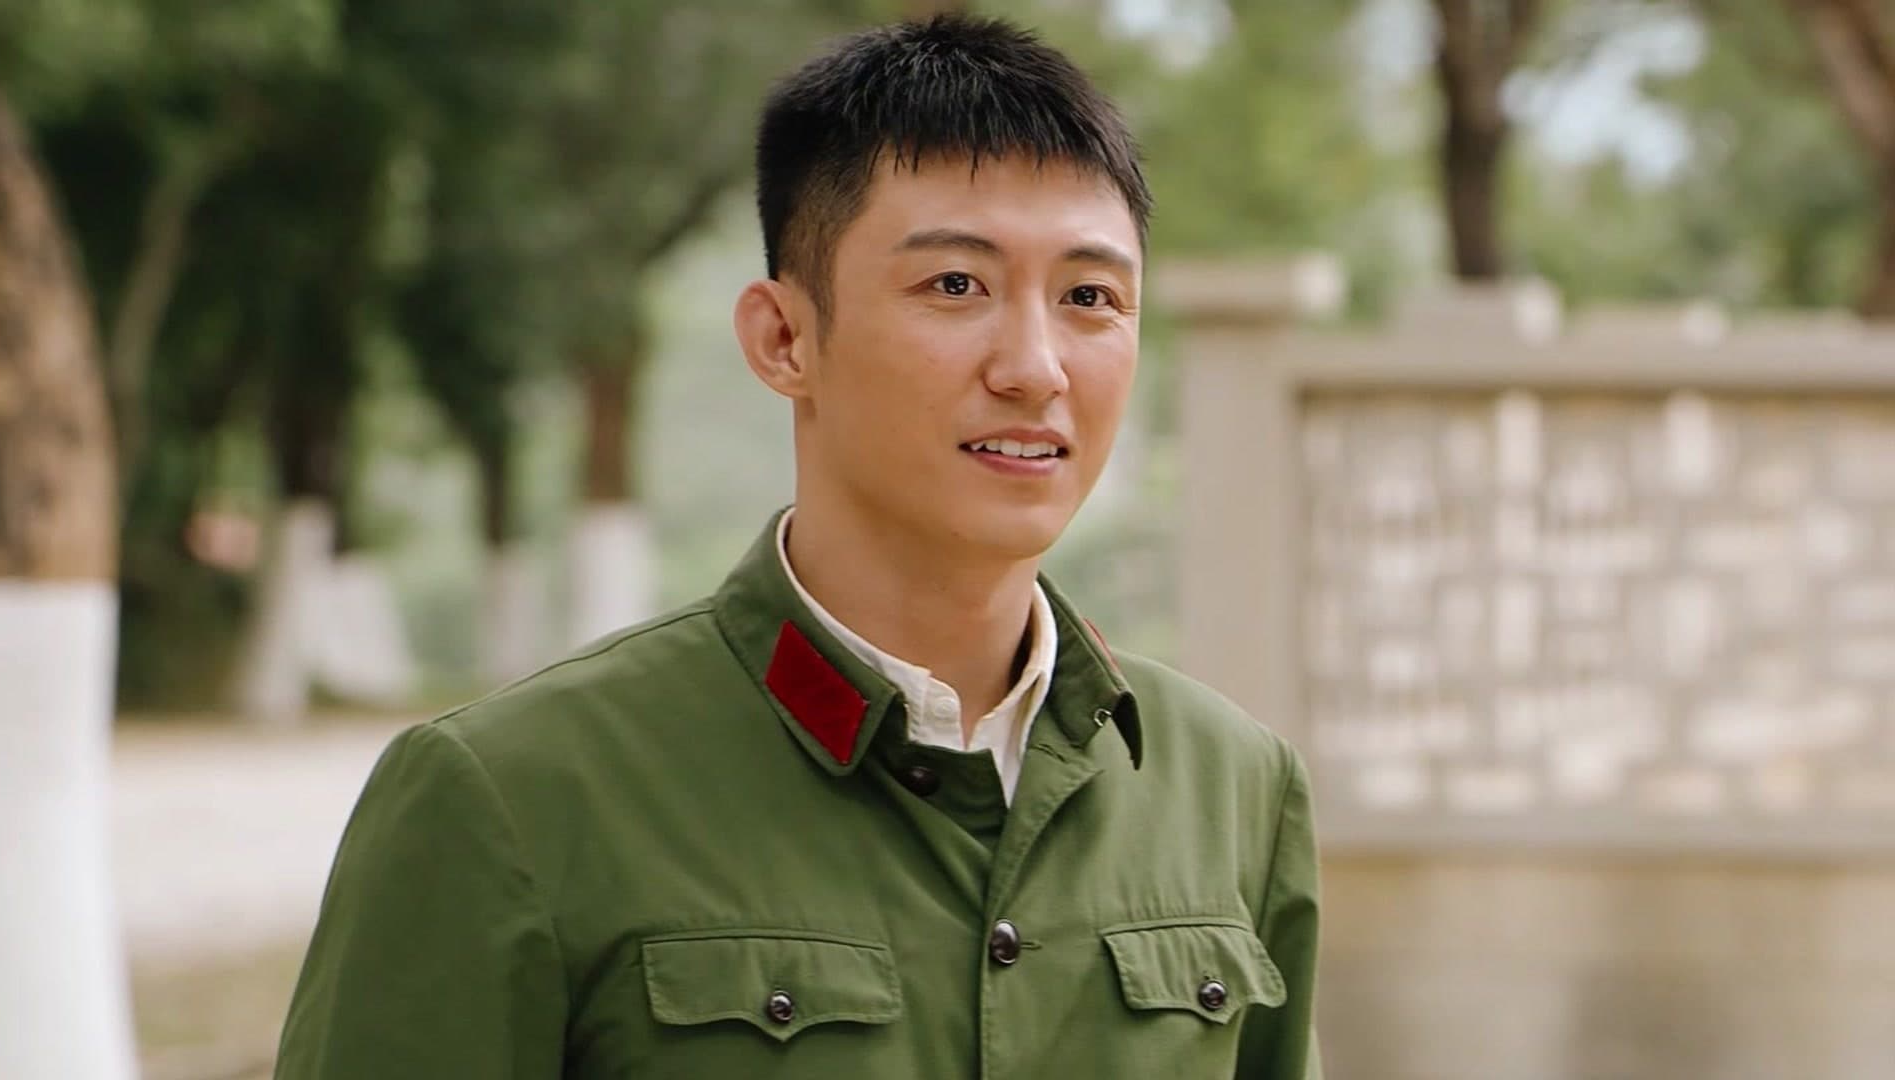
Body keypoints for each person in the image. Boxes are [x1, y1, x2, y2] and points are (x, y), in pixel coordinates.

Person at [273, 14, 1321, 1079]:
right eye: (955, 285)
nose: (1035, 368)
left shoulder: (1230, 788)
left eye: (1089, 297)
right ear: (784, 339)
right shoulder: (516, 799)